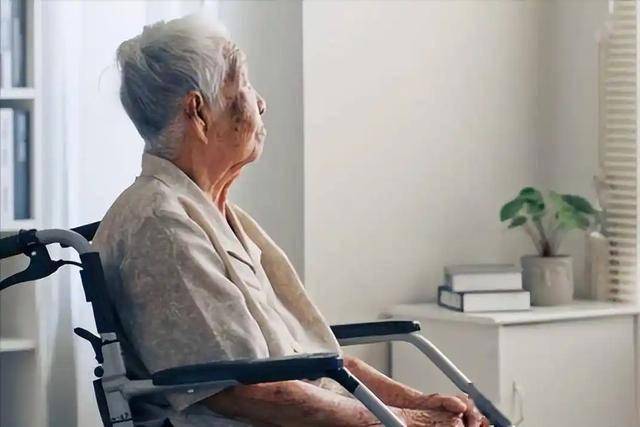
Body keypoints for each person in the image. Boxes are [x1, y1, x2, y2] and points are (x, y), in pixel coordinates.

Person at [93, 14, 488, 427]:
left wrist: (425, 405)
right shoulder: (162, 224)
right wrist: (411, 422)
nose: (261, 103)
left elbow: (312, 362)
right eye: (243, 85)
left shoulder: (211, 213)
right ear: (199, 112)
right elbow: (246, 392)